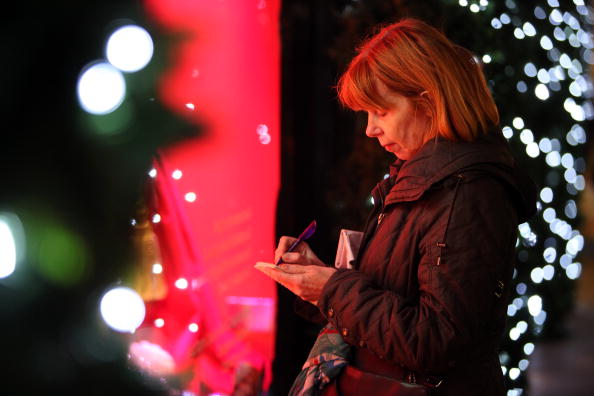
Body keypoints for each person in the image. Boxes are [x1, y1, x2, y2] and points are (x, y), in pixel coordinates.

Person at [256, 18, 536, 395]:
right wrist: (318, 280)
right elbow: (392, 295)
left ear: (429, 101)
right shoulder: (420, 178)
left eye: (381, 112)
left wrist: (333, 290)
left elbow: (434, 340)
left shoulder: (468, 193)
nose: (370, 129)